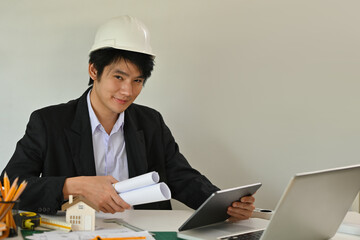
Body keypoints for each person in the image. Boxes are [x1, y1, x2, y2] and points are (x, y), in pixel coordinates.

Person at [1, 16, 255, 221]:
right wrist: (73, 186)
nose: (128, 91)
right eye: (119, 77)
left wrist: (224, 204)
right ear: (94, 70)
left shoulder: (150, 121)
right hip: (79, 232)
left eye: (138, 81)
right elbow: (8, 188)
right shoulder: (49, 122)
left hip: (144, 232)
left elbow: (181, 177)